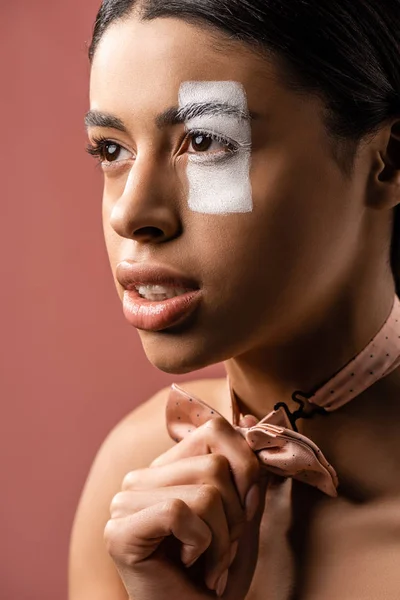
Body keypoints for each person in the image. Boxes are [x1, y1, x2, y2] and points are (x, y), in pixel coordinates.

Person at [68, 1, 400, 598]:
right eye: (111, 150)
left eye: (203, 140)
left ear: (388, 161)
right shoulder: (131, 485)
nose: (130, 214)